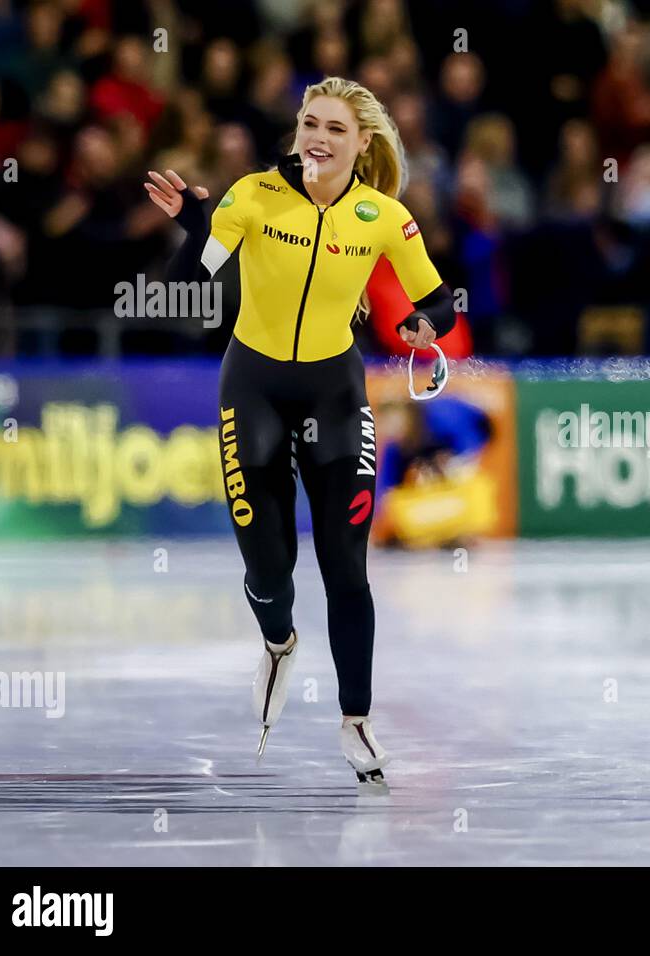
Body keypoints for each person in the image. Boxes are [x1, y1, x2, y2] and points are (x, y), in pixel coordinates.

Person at [144, 76, 455, 783]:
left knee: (347, 567)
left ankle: (356, 721)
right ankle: (279, 641)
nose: (317, 137)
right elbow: (188, 282)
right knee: (268, 567)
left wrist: (423, 324)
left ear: (361, 143)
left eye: (335, 128)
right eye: (309, 122)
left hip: (334, 393)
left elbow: (439, 300)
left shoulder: (383, 216)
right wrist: (196, 226)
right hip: (252, 387)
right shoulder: (252, 194)